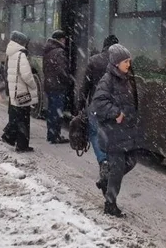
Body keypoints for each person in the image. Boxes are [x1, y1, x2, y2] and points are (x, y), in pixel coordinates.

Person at [88, 44, 141, 217]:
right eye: (126, 61)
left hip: (125, 131)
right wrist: (116, 113)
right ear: (116, 63)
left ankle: (105, 180)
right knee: (117, 169)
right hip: (113, 133)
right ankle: (110, 204)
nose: (129, 64)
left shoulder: (124, 77)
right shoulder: (108, 80)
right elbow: (98, 104)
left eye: (129, 61)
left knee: (131, 161)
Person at [79, 35, 119, 190]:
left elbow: (86, 85)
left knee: (95, 133)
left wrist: (81, 104)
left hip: (96, 106)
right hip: (114, 107)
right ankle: (112, 165)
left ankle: (103, 161)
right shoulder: (121, 62)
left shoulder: (94, 60)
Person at [2, 31, 38, 152]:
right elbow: (26, 75)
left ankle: (12, 138)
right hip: (22, 92)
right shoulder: (21, 55)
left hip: (15, 91)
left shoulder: (11, 53)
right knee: (23, 119)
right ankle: (22, 145)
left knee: (17, 117)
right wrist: (33, 85)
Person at [43, 30, 71, 144]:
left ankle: (51, 134)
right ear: (61, 39)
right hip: (57, 86)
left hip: (49, 85)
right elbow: (62, 70)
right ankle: (56, 136)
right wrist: (68, 80)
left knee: (51, 111)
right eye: (64, 39)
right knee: (57, 111)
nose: (65, 41)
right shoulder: (59, 52)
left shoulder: (48, 50)